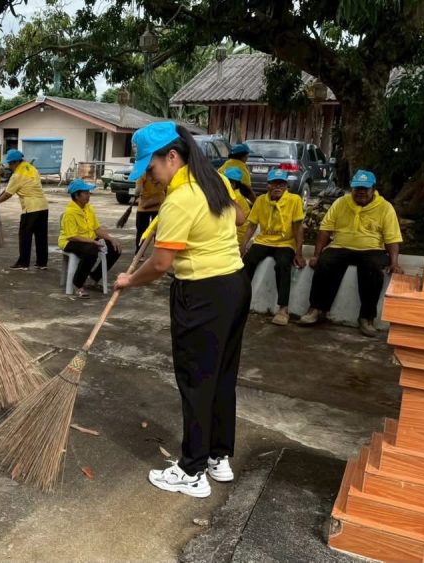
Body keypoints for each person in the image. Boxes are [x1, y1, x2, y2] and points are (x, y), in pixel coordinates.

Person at [114, 121, 249, 499]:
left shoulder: (180, 199)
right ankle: (218, 457)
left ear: (172, 157)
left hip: (202, 294)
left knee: (196, 381)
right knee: (221, 376)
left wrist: (129, 280)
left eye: (152, 167)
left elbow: (160, 264)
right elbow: (240, 218)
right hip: (235, 285)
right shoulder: (213, 181)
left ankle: (191, 471)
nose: (150, 177)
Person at [298, 170, 403, 337]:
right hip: (340, 246)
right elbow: (325, 230)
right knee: (325, 263)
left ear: (373, 189)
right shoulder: (340, 203)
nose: (360, 192)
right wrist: (317, 255)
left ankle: (366, 318)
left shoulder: (385, 207)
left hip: (371, 249)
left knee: (373, 269)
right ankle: (317, 309)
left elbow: (392, 238)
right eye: (357, 188)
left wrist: (394, 263)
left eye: (365, 188)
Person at [240, 169, 306, 326]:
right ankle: (239, 300)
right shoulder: (260, 200)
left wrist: (299, 252)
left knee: (283, 265)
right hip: (264, 240)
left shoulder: (294, 200)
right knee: (248, 262)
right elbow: (252, 225)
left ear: (286, 186)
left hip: (285, 242)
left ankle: (283, 309)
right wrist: (243, 245)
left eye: (281, 184)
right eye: (274, 184)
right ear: (268, 185)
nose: (278, 187)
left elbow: (298, 227)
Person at [58, 179, 122, 298]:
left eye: (89, 192)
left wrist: (111, 239)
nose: (89, 195)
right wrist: (93, 242)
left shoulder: (88, 208)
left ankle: (93, 278)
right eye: (85, 193)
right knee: (91, 250)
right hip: (70, 241)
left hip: (88, 240)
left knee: (115, 248)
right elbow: (72, 236)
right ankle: (78, 284)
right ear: (77, 195)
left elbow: (97, 229)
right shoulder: (70, 213)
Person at [0, 149, 50, 270]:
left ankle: (23, 263)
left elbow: (8, 194)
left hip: (31, 208)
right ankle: (42, 263)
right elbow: (7, 190)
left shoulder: (17, 175)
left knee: (25, 235)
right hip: (43, 207)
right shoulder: (31, 168)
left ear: (16, 162)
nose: (10, 166)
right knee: (41, 236)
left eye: (10, 164)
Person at [135, 174, 166, 253]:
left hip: (144, 207)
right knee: (158, 232)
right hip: (159, 205)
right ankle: (157, 252)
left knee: (141, 231)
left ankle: (139, 252)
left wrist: (138, 192)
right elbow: (166, 188)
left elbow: (137, 191)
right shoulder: (162, 173)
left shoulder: (142, 174)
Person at [223, 167, 254, 247]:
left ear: (232, 184)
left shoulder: (235, 197)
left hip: (236, 236)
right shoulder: (238, 193)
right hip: (238, 233)